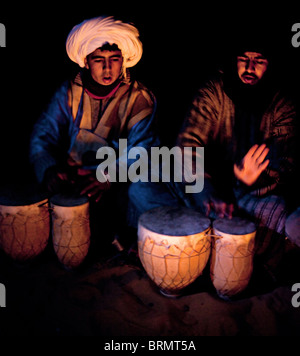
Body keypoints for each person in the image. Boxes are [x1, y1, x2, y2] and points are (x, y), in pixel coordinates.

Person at [129, 39, 298, 263]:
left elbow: (283, 166)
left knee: (283, 218)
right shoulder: (214, 91)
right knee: (141, 188)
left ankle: (211, 240)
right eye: (243, 59)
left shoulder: (282, 106)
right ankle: (198, 234)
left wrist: (245, 182)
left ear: (270, 65)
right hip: (205, 190)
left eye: (259, 61)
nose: (249, 67)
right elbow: (187, 147)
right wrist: (207, 192)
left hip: (251, 197)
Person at [29, 16, 158, 254]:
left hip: (116, 182)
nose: (108, 68)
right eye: (99, 60)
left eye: (114, 60)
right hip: (73, 177)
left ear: (124, 62)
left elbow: (143, 149)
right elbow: (42, 136)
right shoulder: (68, 93)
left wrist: (108, 177)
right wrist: (49, 169)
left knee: (138, 192)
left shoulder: (139, 98)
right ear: (86, 62)